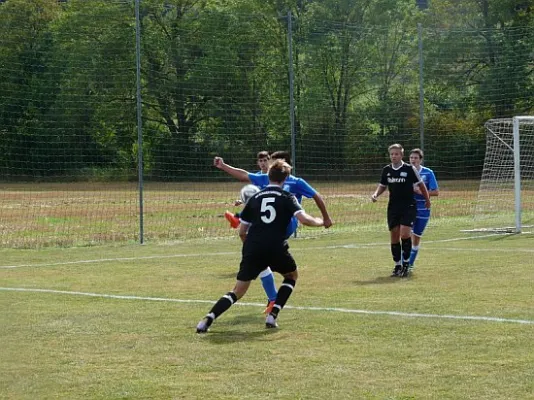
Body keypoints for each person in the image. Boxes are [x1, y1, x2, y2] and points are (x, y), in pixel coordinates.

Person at [196, 159, 324, 333]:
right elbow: (305, 220)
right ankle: (273, 315)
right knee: (291, 276)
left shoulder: (255, 198)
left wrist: (251, 250)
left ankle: (206, 321)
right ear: (285, 179)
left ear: (268, 176)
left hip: (253, 246)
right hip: (275, 246)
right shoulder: (287, 196)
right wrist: (320, 221)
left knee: (237, 291)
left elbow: (242, 231)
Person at [371, 144, 431, 277]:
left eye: (396, 154)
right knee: (394, 235)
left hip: (408, 206)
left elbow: (421, 184)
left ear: (401, 155)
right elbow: (382, 185)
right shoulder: (386, 170)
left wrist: (427, 200)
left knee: (405, 234)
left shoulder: (409, 169)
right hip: (393, 207)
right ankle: (397, 265)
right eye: (392, 154)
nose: (394, 156)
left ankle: (406, 264)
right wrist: (376, 194)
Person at [408, 148, 439, 273]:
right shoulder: (405, 172)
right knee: (405, 235)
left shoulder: (428, 173)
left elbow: (436, 192)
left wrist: (420, 192)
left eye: (416, 158)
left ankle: (410, 264)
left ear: (420, 160)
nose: (413, 160)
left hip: (423, 209)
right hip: (409, 208)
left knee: (416, 237)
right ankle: (404, 263)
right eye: (411, 158)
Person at [224, 151, 271, 229]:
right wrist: (241, 201)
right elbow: (254, 193)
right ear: (258, 163)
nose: (263, 163)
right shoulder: (256, 177)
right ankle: (238, 219)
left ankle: (238, 218)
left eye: (265, 160)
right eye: (261, 161)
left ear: (269, 162)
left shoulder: (274, 176)